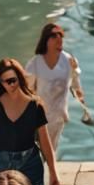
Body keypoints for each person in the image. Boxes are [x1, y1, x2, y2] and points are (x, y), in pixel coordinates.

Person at [0, 59, 62, 185]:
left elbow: (45, 142)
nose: (10, 85)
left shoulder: (35, 106)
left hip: (31, 164)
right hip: (3, 165)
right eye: (4, 81)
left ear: (20, 78)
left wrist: (54, 172)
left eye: (12, 80)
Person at [25, 22, 85, 150]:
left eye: (61, 36)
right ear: (46, 40)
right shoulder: (35, 63)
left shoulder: (69, 60)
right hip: (39, 117)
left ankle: (49, 168)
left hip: (58, 116)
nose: (59, 39)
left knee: (51, 150)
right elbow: (27, 90)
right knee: (37, 152)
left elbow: (75, 80)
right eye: (54, 36)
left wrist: (79, 93)